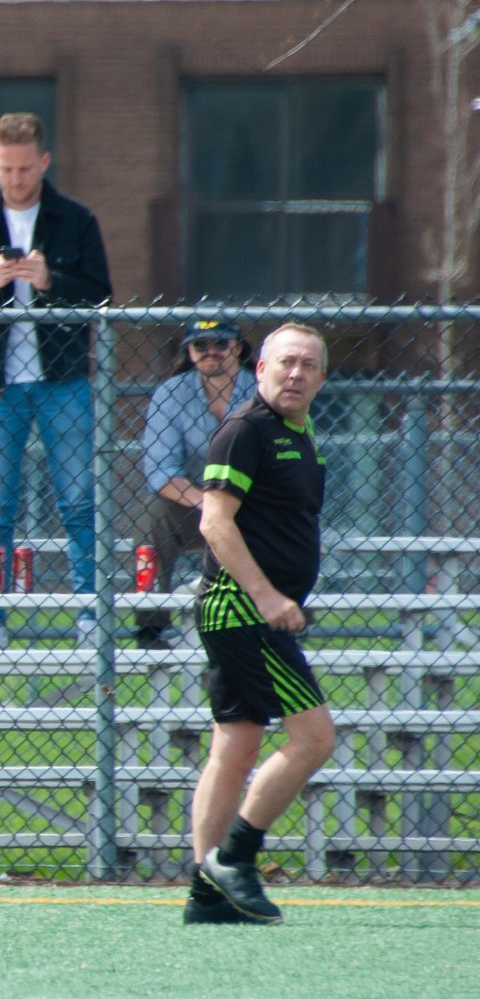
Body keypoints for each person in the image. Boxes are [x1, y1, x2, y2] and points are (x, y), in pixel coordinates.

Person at [0, 111, 113, 648]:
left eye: (25, 169)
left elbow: (102, 297)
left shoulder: (75, 220)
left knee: (80, 501)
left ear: (44, 162)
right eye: (7, 169)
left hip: (63, 380)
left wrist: (49, 282)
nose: (16, 179)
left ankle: (90, 616)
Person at [185, 323, 333, 926]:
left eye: (308, 366)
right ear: (261, 366)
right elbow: (214, 524)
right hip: (241, 610)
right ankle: (236, 857)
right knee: (315, 738)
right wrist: (268, 596)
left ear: (322, 378)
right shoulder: (245, 431)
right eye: (285, 363)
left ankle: (207, 892)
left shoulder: (300, 432)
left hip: (254, 609)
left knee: (236, 745)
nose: (295, 374)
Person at [134, 318, 255, 650]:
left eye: (220, 343)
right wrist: (209, 503)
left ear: (238, 347)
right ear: (189, 351)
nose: (210, 352)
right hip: (194, 504)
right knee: (153, 515)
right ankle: (151, 626)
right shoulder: (171, 393)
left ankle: (286, 616)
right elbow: (160, 471)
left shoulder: (262, 390)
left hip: (252, 504)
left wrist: (232, 503)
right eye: (200, 345)